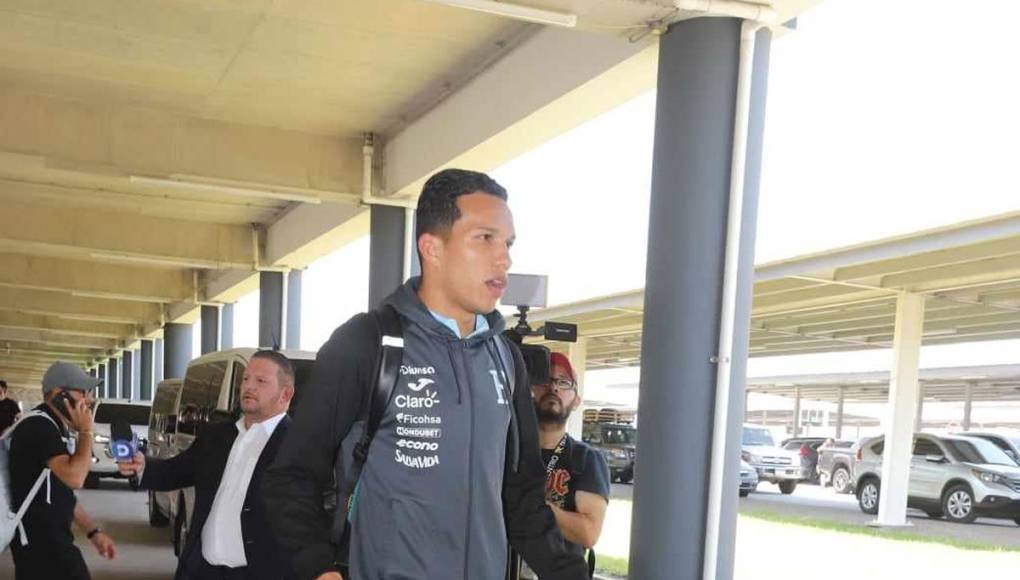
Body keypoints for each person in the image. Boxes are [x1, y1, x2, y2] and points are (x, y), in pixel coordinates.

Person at [264, 168, 588, 580]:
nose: (504, 257)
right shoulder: (368, 343)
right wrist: (319, 569)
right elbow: (291, 476)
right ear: (432, 248)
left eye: (507, 243)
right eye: (484, 238)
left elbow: (521, 495)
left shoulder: (505, 361)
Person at [118, 350, 296, 580]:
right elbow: (176, 471)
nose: (249, 386)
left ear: (286, 394)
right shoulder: (217, 436)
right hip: (203, 570)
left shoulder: (298, 447)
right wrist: (142, 466)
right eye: (245, 379)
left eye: (260, 381)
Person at [7, 361, 117, 579]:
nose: (89, 400)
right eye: (83, 392)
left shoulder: (53, 427)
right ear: (59, 394)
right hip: (41, 546)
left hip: (51, 542)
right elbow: (76, 477)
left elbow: (63, 492)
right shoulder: (39, 426)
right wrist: (86, 432)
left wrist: (93, 531)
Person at [531, 353, 610, 569]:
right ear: (531, 391)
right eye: (544, 380)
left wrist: (534, 506)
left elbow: (589, 533)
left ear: (576, 401)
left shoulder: (586, 459)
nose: (553, 388)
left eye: (563, 382)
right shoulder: (507, 451)